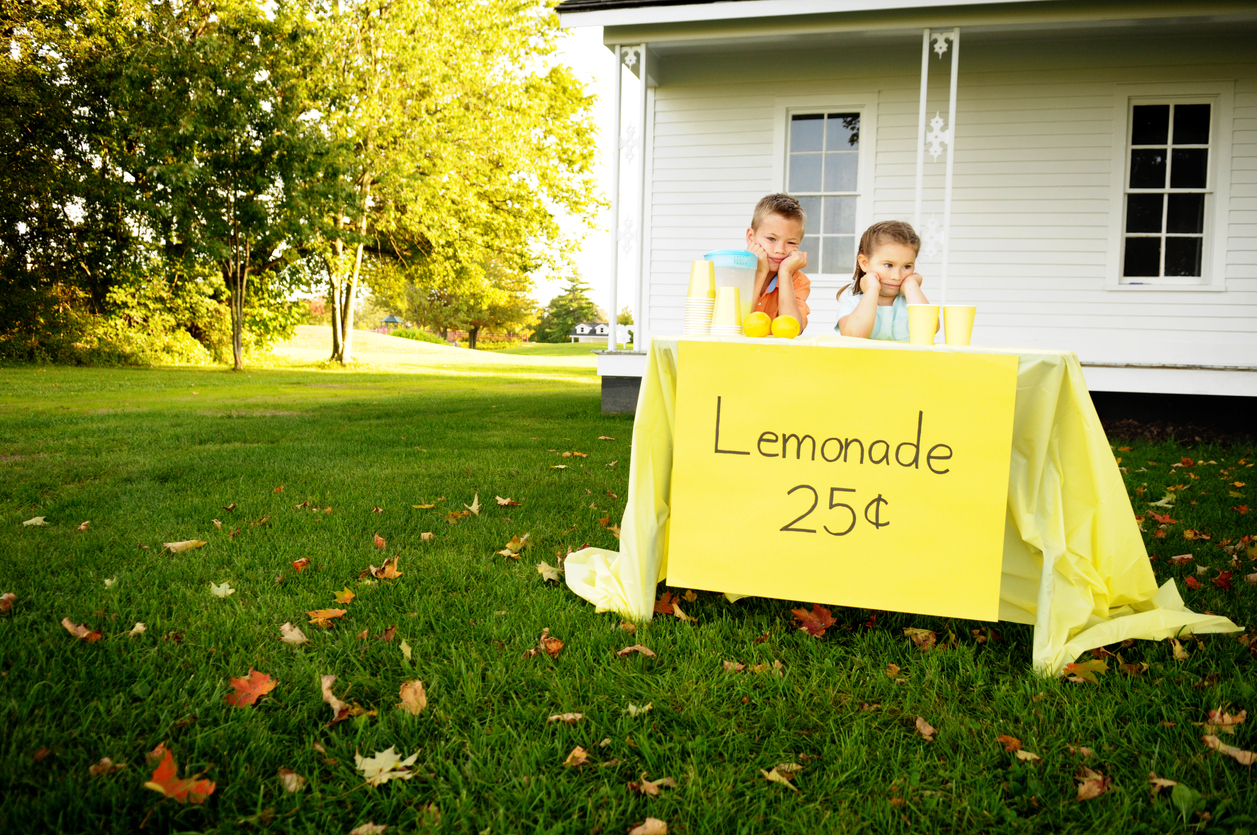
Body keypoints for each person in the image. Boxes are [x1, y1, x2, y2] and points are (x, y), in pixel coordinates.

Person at [835, 220, 928, 340]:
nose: (897, 276)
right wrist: (872, 289)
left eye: (907, 267)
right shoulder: (852, 304)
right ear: (864, 263)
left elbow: (929, 330)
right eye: (888, 265)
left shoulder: (913, 301)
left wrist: (911, 285)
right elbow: (855, 335)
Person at [746, 193, 810, 333]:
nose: (780, 250)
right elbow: (733, 326)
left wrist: (785, 273)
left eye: (791, 242)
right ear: (751, 237)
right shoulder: (734, 271)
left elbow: (793, 329)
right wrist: (761, 273)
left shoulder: (798, 281)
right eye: (771, 239)